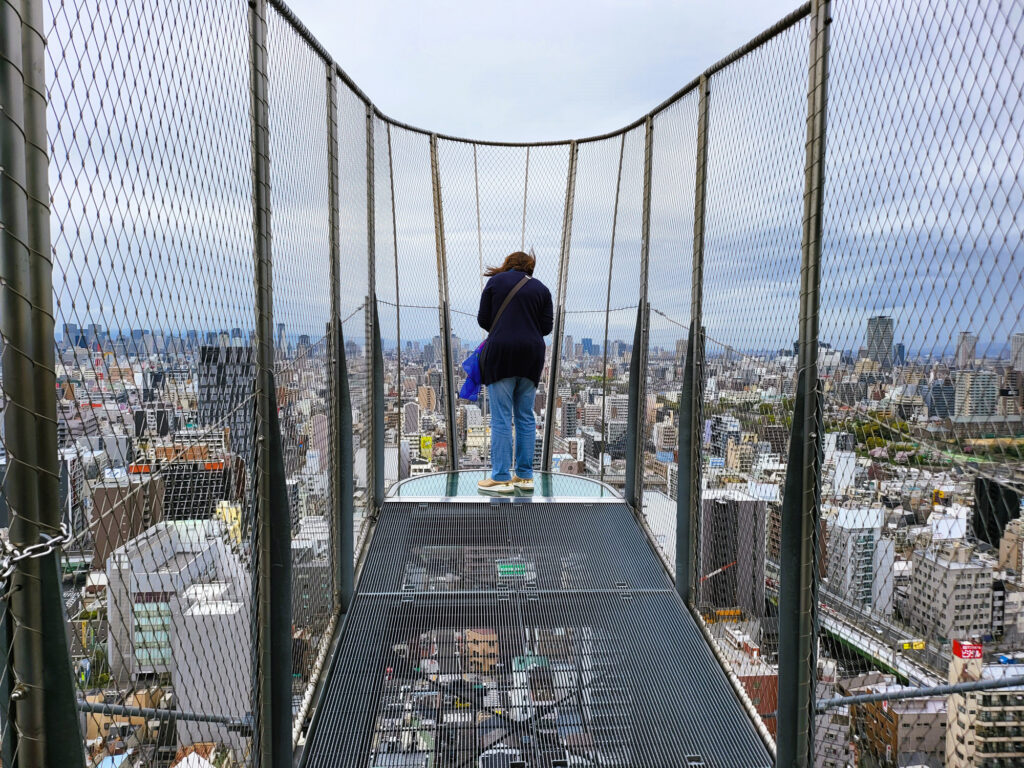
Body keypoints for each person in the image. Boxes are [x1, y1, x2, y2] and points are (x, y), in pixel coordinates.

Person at [476, 251, 553, 493]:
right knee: (525, 416)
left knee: (501, 418)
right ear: (529, 267)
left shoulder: (495, 283)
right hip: (531, 356)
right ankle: (525, 476)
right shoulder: (542, 289)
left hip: (501, 354)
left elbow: (483, 319)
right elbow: (546, 327)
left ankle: (500, 477)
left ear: (507, 264)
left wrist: (504, 328)